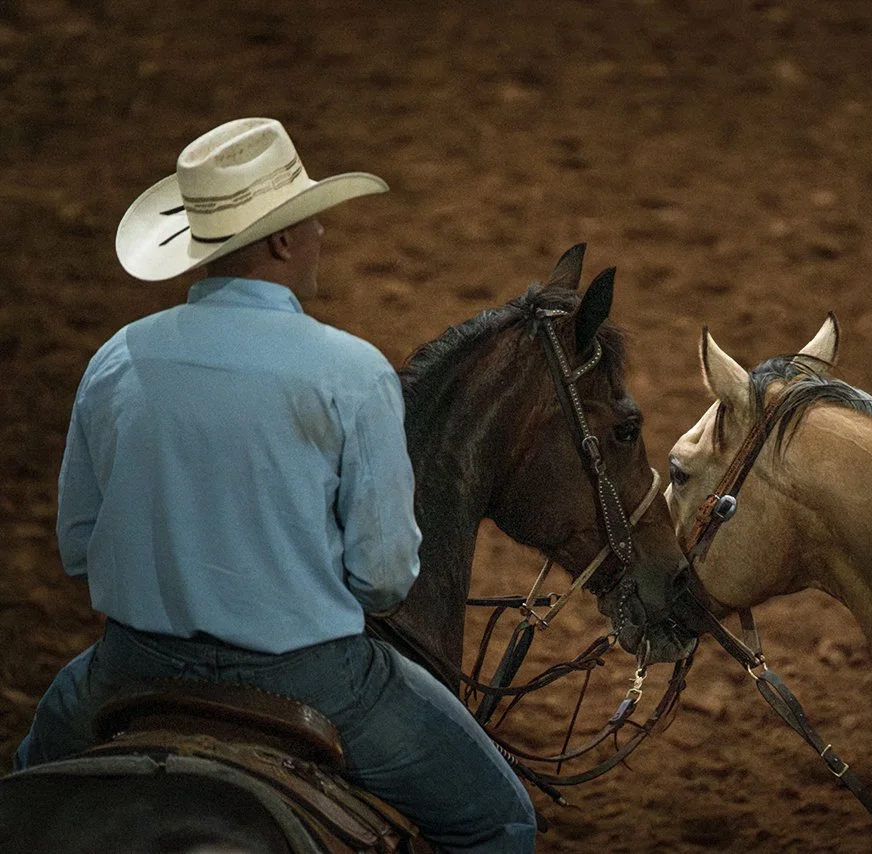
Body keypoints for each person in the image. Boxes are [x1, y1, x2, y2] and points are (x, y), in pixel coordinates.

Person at [12, 117, 537, 852]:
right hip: (314, 679)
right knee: (499, 820)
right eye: (311, 220)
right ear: (283, 241)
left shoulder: (116, 361)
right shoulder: (351, 373)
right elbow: (384, 579)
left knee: (25, 797)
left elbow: (76, 545)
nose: (322, 232)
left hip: (131, 666)